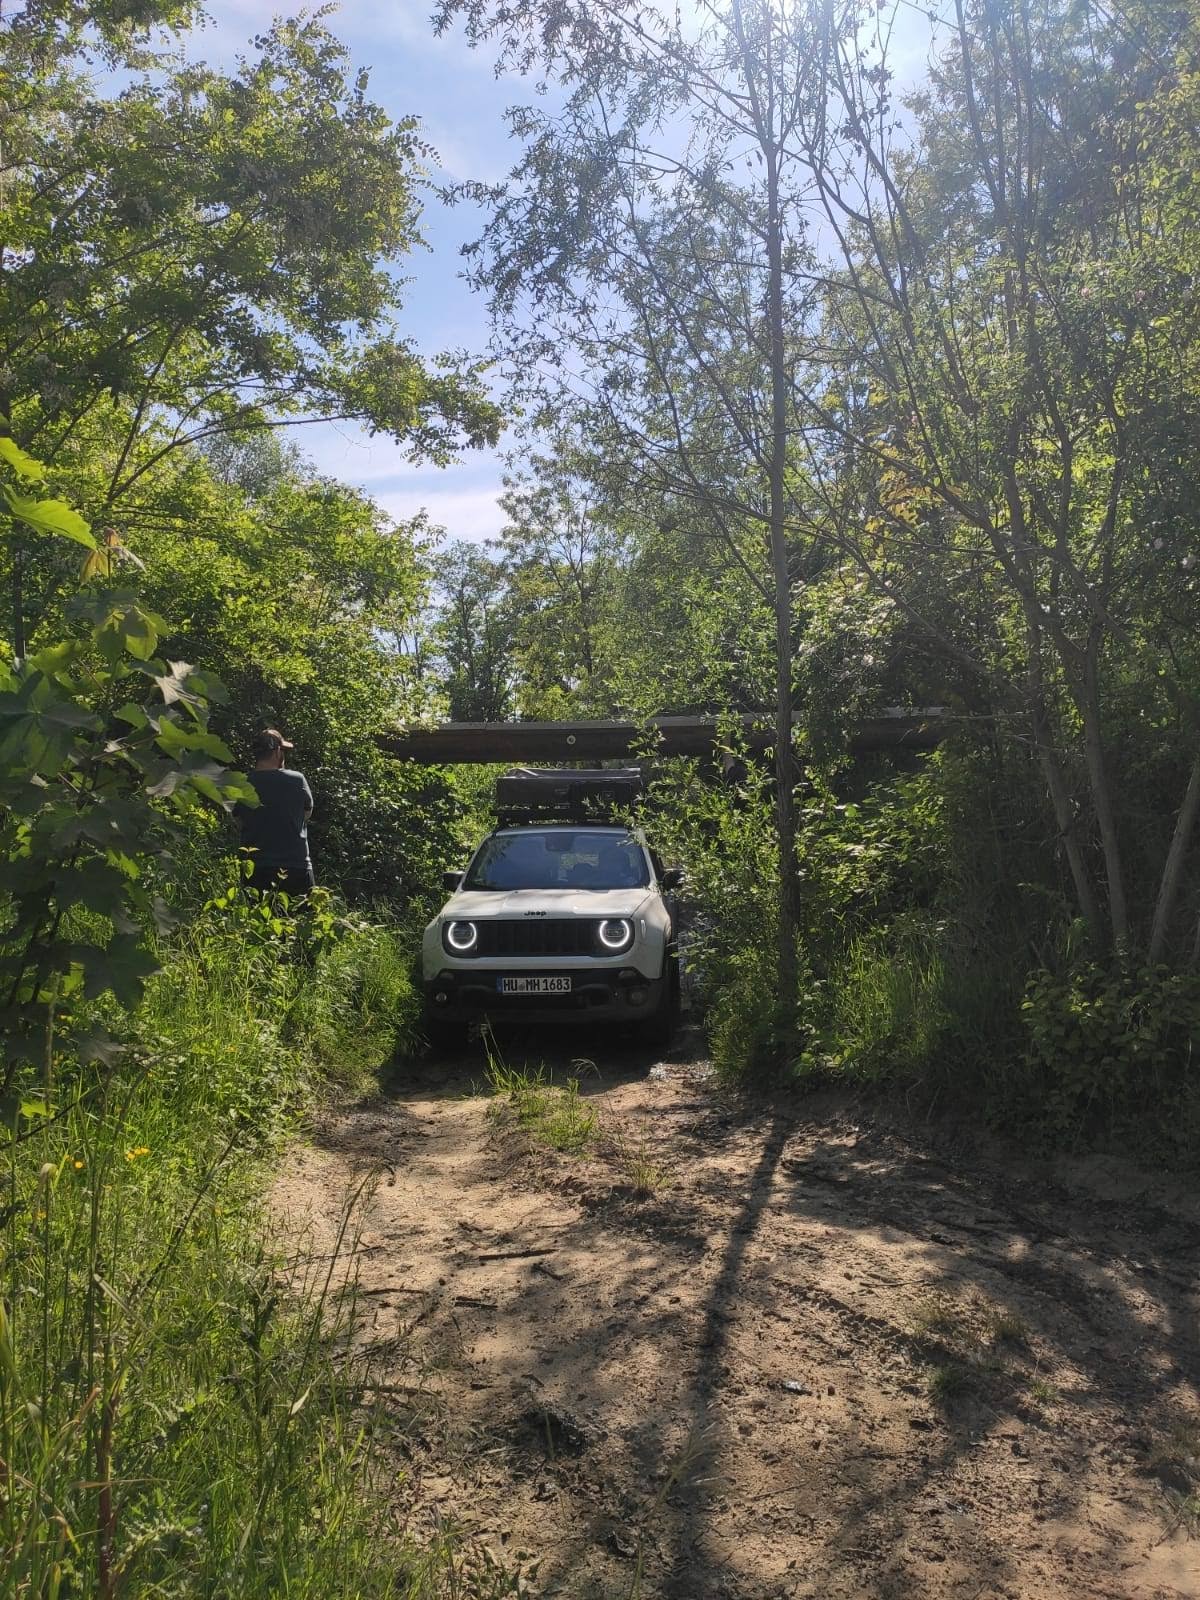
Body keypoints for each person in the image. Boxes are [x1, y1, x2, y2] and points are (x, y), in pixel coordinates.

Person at [236, 728, 315, 893]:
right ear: (278, 751)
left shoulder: (243, 783)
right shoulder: (297, 780)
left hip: (255, 868)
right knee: (299, 918)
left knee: (256, 918)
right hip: (295, 867)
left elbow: (237, 819)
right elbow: (307, 813)